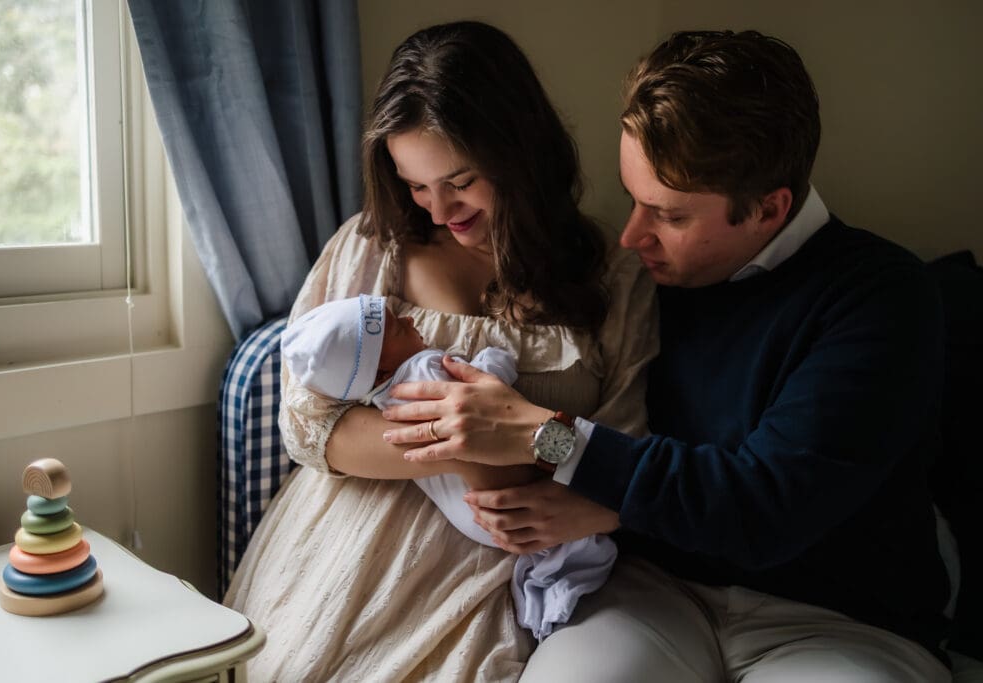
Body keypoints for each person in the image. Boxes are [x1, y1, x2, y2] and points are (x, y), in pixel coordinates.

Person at [384, 30, 953, 681]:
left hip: (840, 620)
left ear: (769, 208)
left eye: (668, 214)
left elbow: (762, 507)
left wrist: (540, 436)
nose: (631, 235)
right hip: (654, 592)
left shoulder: (881, 298)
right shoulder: (641, 281)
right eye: (632, 198)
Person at [223, 21, 658, 682]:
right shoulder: (373, 248)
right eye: (415, 184)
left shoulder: (611, 275)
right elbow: (309, 426)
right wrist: (466, 442)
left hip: (518, 561)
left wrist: (558, 472)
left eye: (459, 180)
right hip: (353, 551)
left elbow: (621, 458)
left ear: (519, 151)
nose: (437, 208)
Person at [280, 293, 618, 640]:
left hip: (468, 514)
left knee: (540, 541)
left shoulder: (384, 401)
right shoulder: (423, 369)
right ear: (380, 369)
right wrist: (495, 361)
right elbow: (479, 401)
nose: (411, 321)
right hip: (494, 496)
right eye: (397, 329)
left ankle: (547, 590)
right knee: (569, 540)